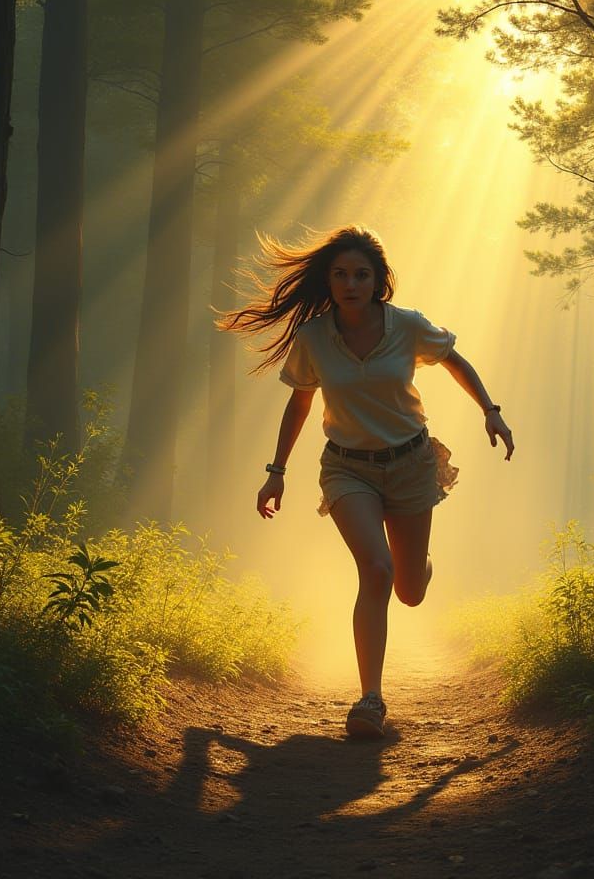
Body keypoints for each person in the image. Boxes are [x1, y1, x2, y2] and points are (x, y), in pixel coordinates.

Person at [218, 225, 514, 738]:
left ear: (379, 281)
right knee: (375, 570)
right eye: (340, 275)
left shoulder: (406, 326)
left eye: (361, 274)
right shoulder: (314, 337)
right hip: (346, 467)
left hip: (411, 463)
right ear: (328, 282)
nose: (350, 283)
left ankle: (418, 566)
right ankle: (370, 701)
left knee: (409, 589)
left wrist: (491, 411)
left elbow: (454, 360)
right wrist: (276, 473)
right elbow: (301, 403)